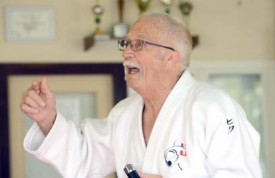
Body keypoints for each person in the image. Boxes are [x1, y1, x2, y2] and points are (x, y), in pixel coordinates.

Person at [21, 12, 262, 178]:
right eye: (125, 45)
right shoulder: (124, 114)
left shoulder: (214, 107)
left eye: (139, 44)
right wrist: (47, 119)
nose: (126, 53)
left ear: (171, 56)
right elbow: (83, 157)